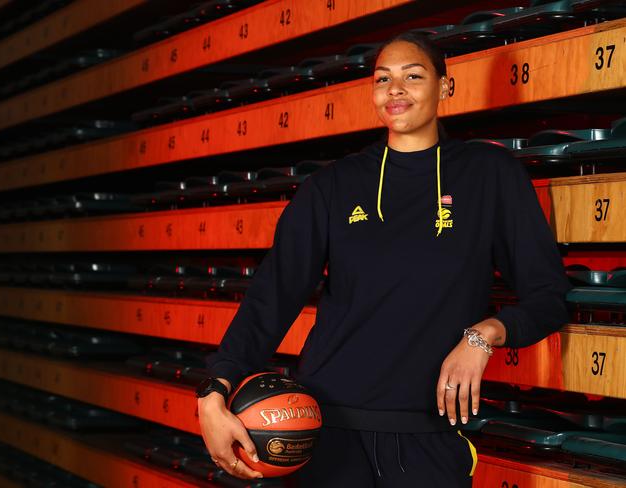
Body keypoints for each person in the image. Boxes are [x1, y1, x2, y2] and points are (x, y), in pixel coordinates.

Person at [196, 32, 573, 487]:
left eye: (413, 76)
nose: (395, 90)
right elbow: (270, 299)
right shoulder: (331, 186)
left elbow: (549, 297)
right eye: (382, 79)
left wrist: (484, 335)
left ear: (445, 86)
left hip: (428, 435)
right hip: (328, 433)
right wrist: (214, 389)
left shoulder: (490, 176)